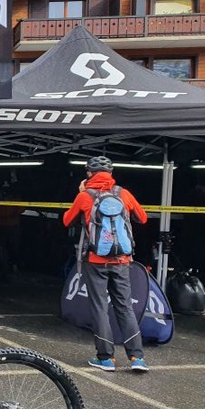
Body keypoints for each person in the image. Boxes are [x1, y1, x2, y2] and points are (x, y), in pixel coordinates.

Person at [62, 155, 149, 372]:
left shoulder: (85, 196)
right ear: (110, 174)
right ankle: (137, 358)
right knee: (125, 306)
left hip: (96, 260)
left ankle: (106, 358)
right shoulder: (123, 193)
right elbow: (143, 218)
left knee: (100, 307)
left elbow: (67, 220)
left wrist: (81, 193)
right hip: (122, 260)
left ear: (89, 174)